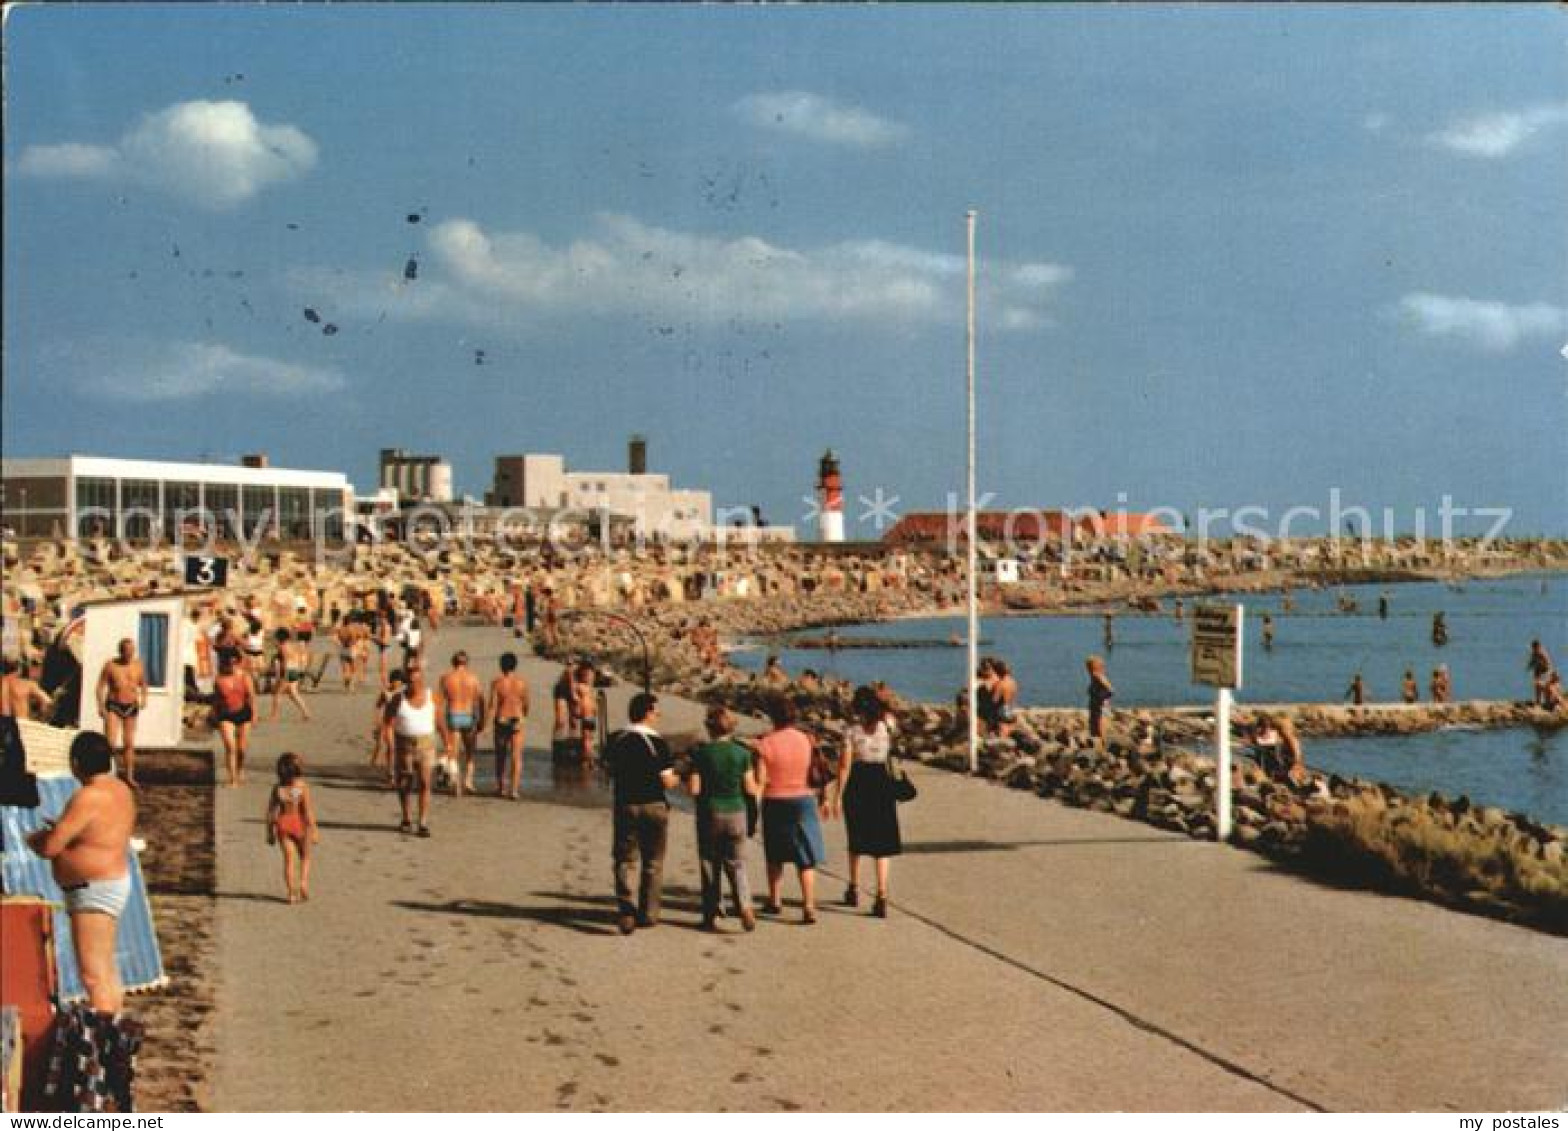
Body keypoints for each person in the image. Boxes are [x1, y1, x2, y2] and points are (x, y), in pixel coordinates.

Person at [26, 732, 135, 1015]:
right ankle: (115, 1037)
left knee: (93, 976)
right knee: (106, 969)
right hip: (111, 882)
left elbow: (51, 847)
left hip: (93, 889)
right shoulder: (120, 789)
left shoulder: (87, 796)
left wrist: (35, 839)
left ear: (75, 763)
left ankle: (106, 1043)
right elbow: (98, 833)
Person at [601, 693, 677, 934]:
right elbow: (667, 781)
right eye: (656, 711)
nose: (658, 715)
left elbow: (608, 770)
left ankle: (627, 907)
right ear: (646, 713)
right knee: (653, 861)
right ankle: (649, 912)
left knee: (625, 859)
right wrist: (680, 776)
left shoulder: (615, 739)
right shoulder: (659, 744)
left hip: (626, 803)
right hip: (654, 804)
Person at [754, 695, 827, 924]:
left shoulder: (766, 743)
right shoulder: (806, 739)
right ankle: (808, 904)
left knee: (774, 854)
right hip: (803, 799)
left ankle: (775, 899)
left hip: (775, 799)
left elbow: (760, 778)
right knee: (805, 857)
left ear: (773, 717)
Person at [686, 705, 758, 933]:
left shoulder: (701, 754)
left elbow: (694, 789)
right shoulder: (742, 753)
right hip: (736, 811)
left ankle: (712, 912)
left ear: (709, 728)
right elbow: (750, 788)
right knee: (737, 863)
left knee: (710, 863)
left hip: (710, 811)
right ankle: (745, 905)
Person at [837, 686, 902, 918]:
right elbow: (891, 712)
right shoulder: (888, 725)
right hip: (881, 782)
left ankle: (853, 887)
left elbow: (844, 767)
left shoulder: (851, 731)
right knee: (882, 844)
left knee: (856, 837)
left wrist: (837, 796)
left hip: (858, 782)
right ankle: (882, 894)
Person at [388, 660, 438, 837]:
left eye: (415, 679)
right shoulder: (397, 699)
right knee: (405, 782)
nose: (412, 683)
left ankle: (423, 822)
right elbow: (388, 723)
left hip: (426, 744)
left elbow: (439, 720)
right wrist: (390, 747)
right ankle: (406, 817)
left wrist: (449, 745)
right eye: (409, 680)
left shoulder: (432, 696)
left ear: (422, 679)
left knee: (425, 782)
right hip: (404, 744)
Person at [266, 752, 319, 904]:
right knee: (305, 857)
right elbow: (307, 811)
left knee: (289, 860)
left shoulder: (278, 788)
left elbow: (271, 812)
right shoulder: (301, 787)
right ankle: (302, 882)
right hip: (300, 823)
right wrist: (314, 829)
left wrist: (269, 832)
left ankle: (291, 894)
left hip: (283, 823)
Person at [96, 639, 147, 788]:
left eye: (132, 650)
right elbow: (100, 687)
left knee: (129, 743)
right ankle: (109, 773)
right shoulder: (111, 666)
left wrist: (144, 698)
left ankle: (129, 776)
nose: (130, 653)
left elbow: (143, 684)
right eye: (127, 650)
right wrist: (100, 707)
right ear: (121, 650)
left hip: (131, 706)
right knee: (110, 742)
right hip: (114, 706)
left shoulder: (138, 665)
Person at [438, 651, 484, 796]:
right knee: (470, 752)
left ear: (453, 662)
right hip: (469, 715)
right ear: (467, 662)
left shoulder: (446, 678)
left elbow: (439, 701)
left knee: (453, 752)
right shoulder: (474, 678)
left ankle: (456, 784)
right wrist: (482, 719)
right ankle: (468, 781)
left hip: (453, 714)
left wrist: (438, 722)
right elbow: (480, 700)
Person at [211, 652, 258, 787]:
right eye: (228, 664)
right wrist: (214, 714)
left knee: (241, 749)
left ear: (237, 663)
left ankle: (240, 769)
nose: (231, 666)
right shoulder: (219, 680)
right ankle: (232, 780)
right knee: (230, 747)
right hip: (225, 715)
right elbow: (216, 699)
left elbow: (251, 696)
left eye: (233, 663)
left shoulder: (244, 676)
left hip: (243, 713)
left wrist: (254, 714)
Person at [487, 653, 530, 799]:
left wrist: (486, 725)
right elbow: (526, 703)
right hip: (517, 719)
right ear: (515, 665)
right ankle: (514, 790)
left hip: (502, 719)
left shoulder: (497, 683)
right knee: (516, 756)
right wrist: (523, 716)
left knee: (501, 755)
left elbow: (492, 705)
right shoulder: (522, 682)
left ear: (501, 665)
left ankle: (501, 787)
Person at [268, 628, 313, 722]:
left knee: (277, 694)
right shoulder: (292, 645)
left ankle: (274, 716)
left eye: (275, 637)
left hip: (288, 670)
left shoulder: (283, 647)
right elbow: (297, 657)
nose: (274, 638)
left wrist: (281, 675)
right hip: (295, 669)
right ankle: (306, 713)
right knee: (293, 693)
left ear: (279, 637)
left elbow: (285, 661)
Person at [371, 669, 406, 783]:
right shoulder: (386, 692)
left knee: (400, 750)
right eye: (396, 681)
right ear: (392, 680)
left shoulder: (404, 693)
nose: (398, 683)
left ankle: (395, 769)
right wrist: (377, 723)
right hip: (388, 724)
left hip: (400, 724)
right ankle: (390, 772)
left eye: (400, 681)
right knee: (391, 748)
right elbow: (378, 707)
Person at [1, 657, 53, 721]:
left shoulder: (28, 684)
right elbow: (48, 702)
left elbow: (48, 703)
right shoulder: (27, 685)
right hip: (20, 723)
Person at [1086, 656, 1114, 748]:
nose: (1087, 669)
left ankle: (1102, 747)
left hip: (1100, 707)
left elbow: (1111, 690)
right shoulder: (1096, 676)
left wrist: (1101, 699)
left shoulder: (1097, 676)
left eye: (1088, 667)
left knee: (1099, 728)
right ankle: (1098, 747)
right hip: (1097, 706)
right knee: (1095, 727)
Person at [1527, 640, 1555, 706]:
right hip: (1537, 672)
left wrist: (1541, 666)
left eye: (1534, 647)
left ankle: (1547, 701)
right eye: (1532, 648)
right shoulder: (1533, 654)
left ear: (1538, 647)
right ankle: (1538, 700)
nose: (1533, 649)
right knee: (1536, 686)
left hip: (1544, 672)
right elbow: (1531, 661)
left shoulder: (1542, 654)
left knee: (1543, 686)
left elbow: (1548, 664)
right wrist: (1529, 667)